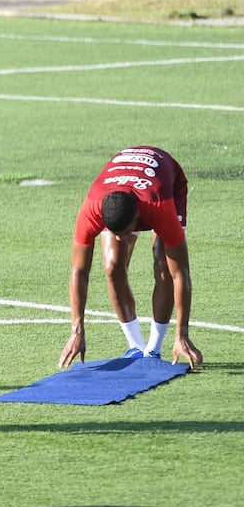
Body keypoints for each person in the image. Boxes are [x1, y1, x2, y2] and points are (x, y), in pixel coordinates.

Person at [59, 146, 203, 369]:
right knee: (113, 264)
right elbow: (79, 271)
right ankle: (136, 347)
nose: (118, 238)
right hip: (121, 189)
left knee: (163, 264)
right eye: (112, 232)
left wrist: (182, 333)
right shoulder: (92, 208)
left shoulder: (158, 207)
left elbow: (180, 273)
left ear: (137, 217)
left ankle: (153, 350)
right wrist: (77, 330)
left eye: (123, 232)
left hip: (166, 186)